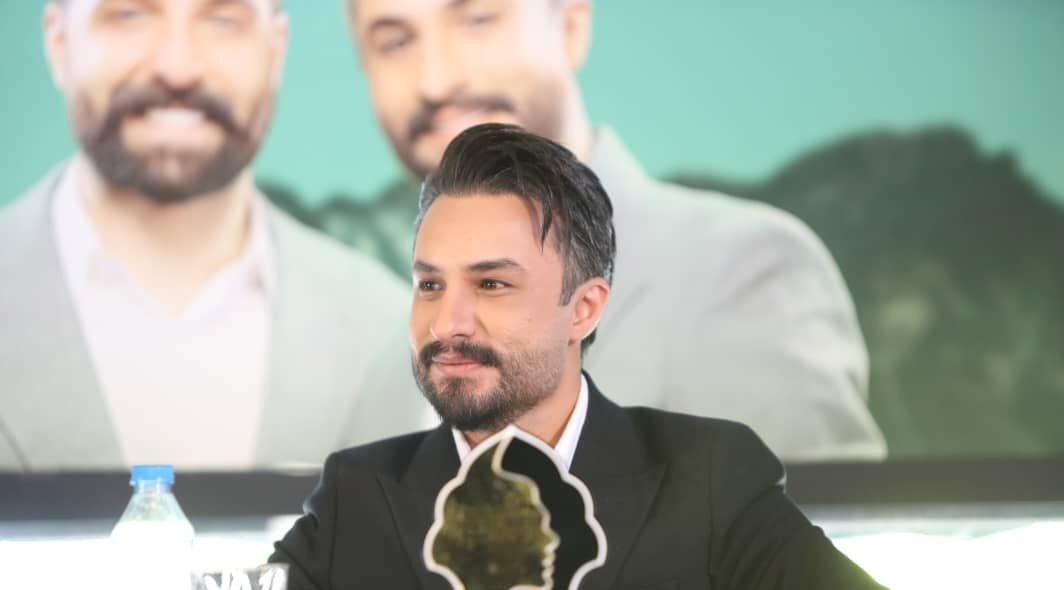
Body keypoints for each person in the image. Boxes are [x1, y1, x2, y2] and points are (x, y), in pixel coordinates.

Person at [269, 125, 963, 590]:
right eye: (430, 284)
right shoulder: (358, 491)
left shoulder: (706, 476)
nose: (447, 322)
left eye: (491, 284)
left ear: (585, 308)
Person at [293, 0, 886, 462]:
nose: (437, 79)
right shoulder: (380, 355)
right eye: (395, 40)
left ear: (571, 24)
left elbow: (813, 558)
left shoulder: (744, 272)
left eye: (478, 18)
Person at [0, 0, 427, 470]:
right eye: (130, 15)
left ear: (275, 51)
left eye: (222, 19)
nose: (178, 69)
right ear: (58, 42)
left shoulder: (390, 333)